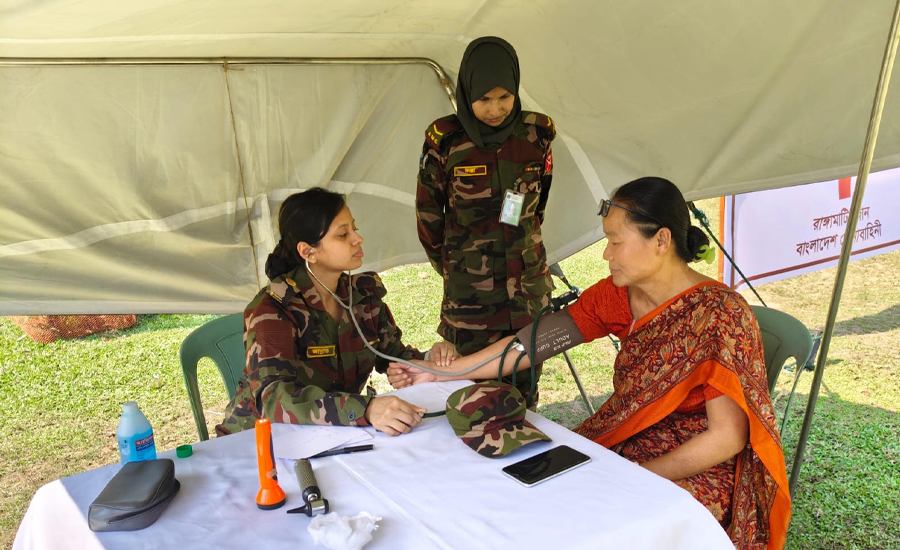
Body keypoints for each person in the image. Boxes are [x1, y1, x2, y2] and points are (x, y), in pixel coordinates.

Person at [390, 177, 791, 549]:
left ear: (661, 240)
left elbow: (726, 439)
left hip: (698, 463)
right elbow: (530, 345)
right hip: (627, 438)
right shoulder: (618, 296)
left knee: (614, 523)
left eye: (616, 242)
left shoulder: (719, 314)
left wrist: (638, 475)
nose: (605, 254)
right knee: (541, 487)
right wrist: (444, 372)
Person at [216, 188, 454, 437]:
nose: (357, 239)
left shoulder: (361, 297)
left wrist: (428, 359)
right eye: (343, 234)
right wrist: (366, 409)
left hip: (331, 437)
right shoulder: (273, 308)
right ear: (308, 251)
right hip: (258, 442)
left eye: (355, 229)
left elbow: (392, 355)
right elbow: (274, 400)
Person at [416, 35, 556, 406]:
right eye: (484, 100)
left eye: (504, 98)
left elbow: (536, 208)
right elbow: (429, 221)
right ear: (467, 93)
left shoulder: (536, 135)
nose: (495, 110)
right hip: (472, 299)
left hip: (527, 293)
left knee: (525, 392)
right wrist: (459, 266)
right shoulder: (445, 142)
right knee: (473, 396)